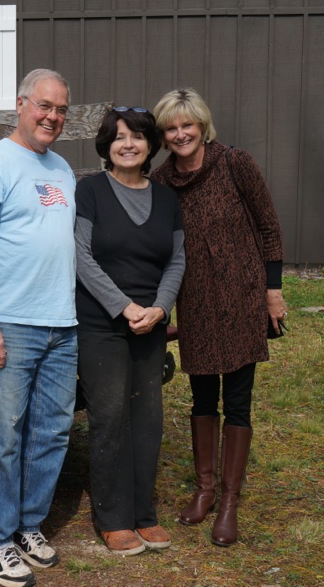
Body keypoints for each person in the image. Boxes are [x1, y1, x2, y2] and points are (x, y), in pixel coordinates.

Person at [0, 69, 78, 587]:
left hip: (62, 325)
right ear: (22, 104)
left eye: (61, 109)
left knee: (50, 431)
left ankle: (28, 525)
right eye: (44, 106)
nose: (52, 116)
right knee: (0, 436)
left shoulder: (63, 168)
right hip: (9, 325)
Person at [151, 88, 286, 547]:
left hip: (244, 294)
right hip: (196, 301)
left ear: (202, 125)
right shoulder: (161, 180)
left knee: (239, 400)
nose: (181, 133)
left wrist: (273, 292)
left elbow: (268, 226)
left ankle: (230, 499)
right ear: (164, 135)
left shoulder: (234, 163)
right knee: (203, 397)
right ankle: (205, 489)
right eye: (171, 127)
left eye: (187, 124)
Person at [75, 107, 185, 556]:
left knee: (148, 420)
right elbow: (81, 256)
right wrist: (124, 307)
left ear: (149, 145)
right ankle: (114, 517)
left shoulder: (166, 199)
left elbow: (176, 260)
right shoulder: (92, 191)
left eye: (137, 137)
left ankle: (144, 513)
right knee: (110, 416)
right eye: (119, 137)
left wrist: (160, 308)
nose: (128, 144)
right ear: (107, 144)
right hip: (101, 322)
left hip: (151, 324)